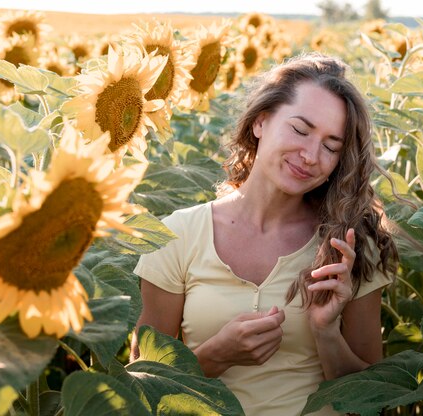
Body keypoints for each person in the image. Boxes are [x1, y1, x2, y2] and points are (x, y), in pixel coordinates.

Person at [130, 52, 398, 416]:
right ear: (260, 122)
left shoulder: (347, 244)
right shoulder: (177, 235)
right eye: (300, 130)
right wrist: (214, 356)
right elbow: (141, 379)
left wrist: (326, 331)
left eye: (330, 146)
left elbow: (374, 396)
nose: (310, 154)